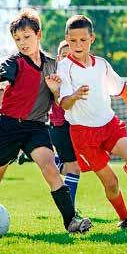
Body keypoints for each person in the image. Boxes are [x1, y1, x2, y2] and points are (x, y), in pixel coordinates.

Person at [0, 9, 91, 234]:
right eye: (17, 39)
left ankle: (71, 221)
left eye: (27, 37)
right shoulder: (15, 62)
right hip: (8, 128)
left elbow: (60, 102)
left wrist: (55, 90)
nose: (22, 43)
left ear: (38, 34)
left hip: (36, 127)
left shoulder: (52, 65)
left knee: (50, 168)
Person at [55, 15, 127, 229]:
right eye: (73, 41)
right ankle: (126, 219)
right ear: (67, 39)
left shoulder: (101, 64)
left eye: (83, 40)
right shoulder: (64, 67)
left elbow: (120, 86)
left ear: (92, 39)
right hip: (84, 135)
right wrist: (74, 96)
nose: (78, 45)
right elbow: (63, 103)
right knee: (111, 183)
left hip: (109, 125)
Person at [49, 40, 81, 208]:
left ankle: (52, 161)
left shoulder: (80, 74)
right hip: (60, 126)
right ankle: (71, 211)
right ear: (58, 58)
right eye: (64, 55)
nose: (67, 58)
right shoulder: (55, 77)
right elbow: (57, 100)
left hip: (78, 126)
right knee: (74, 168)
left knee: (78, 166)